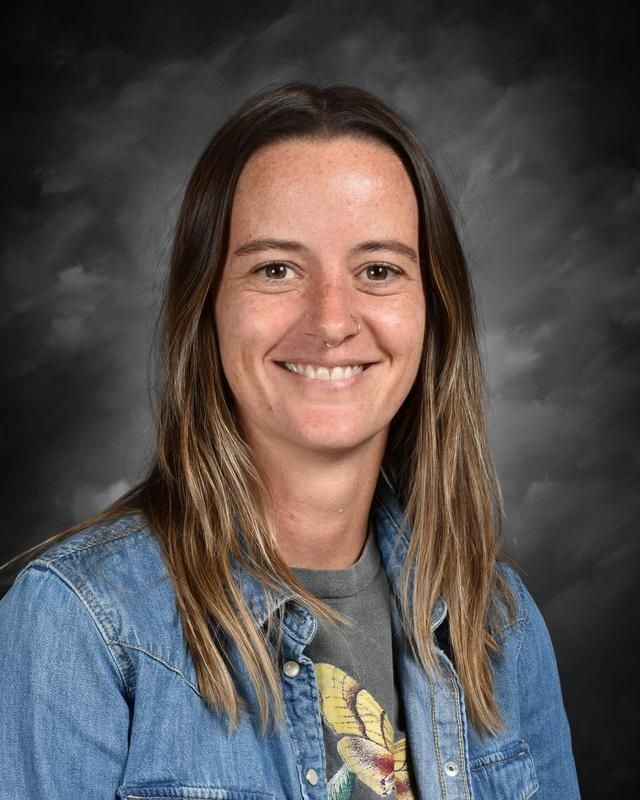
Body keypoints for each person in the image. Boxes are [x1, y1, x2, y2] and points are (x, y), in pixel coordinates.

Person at [0, 81, 581, 799]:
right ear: (205, 307)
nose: (332, 319)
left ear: (434, 311)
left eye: (378, 270)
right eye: (276, 268)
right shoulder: (79, 625)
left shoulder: (500, 624)